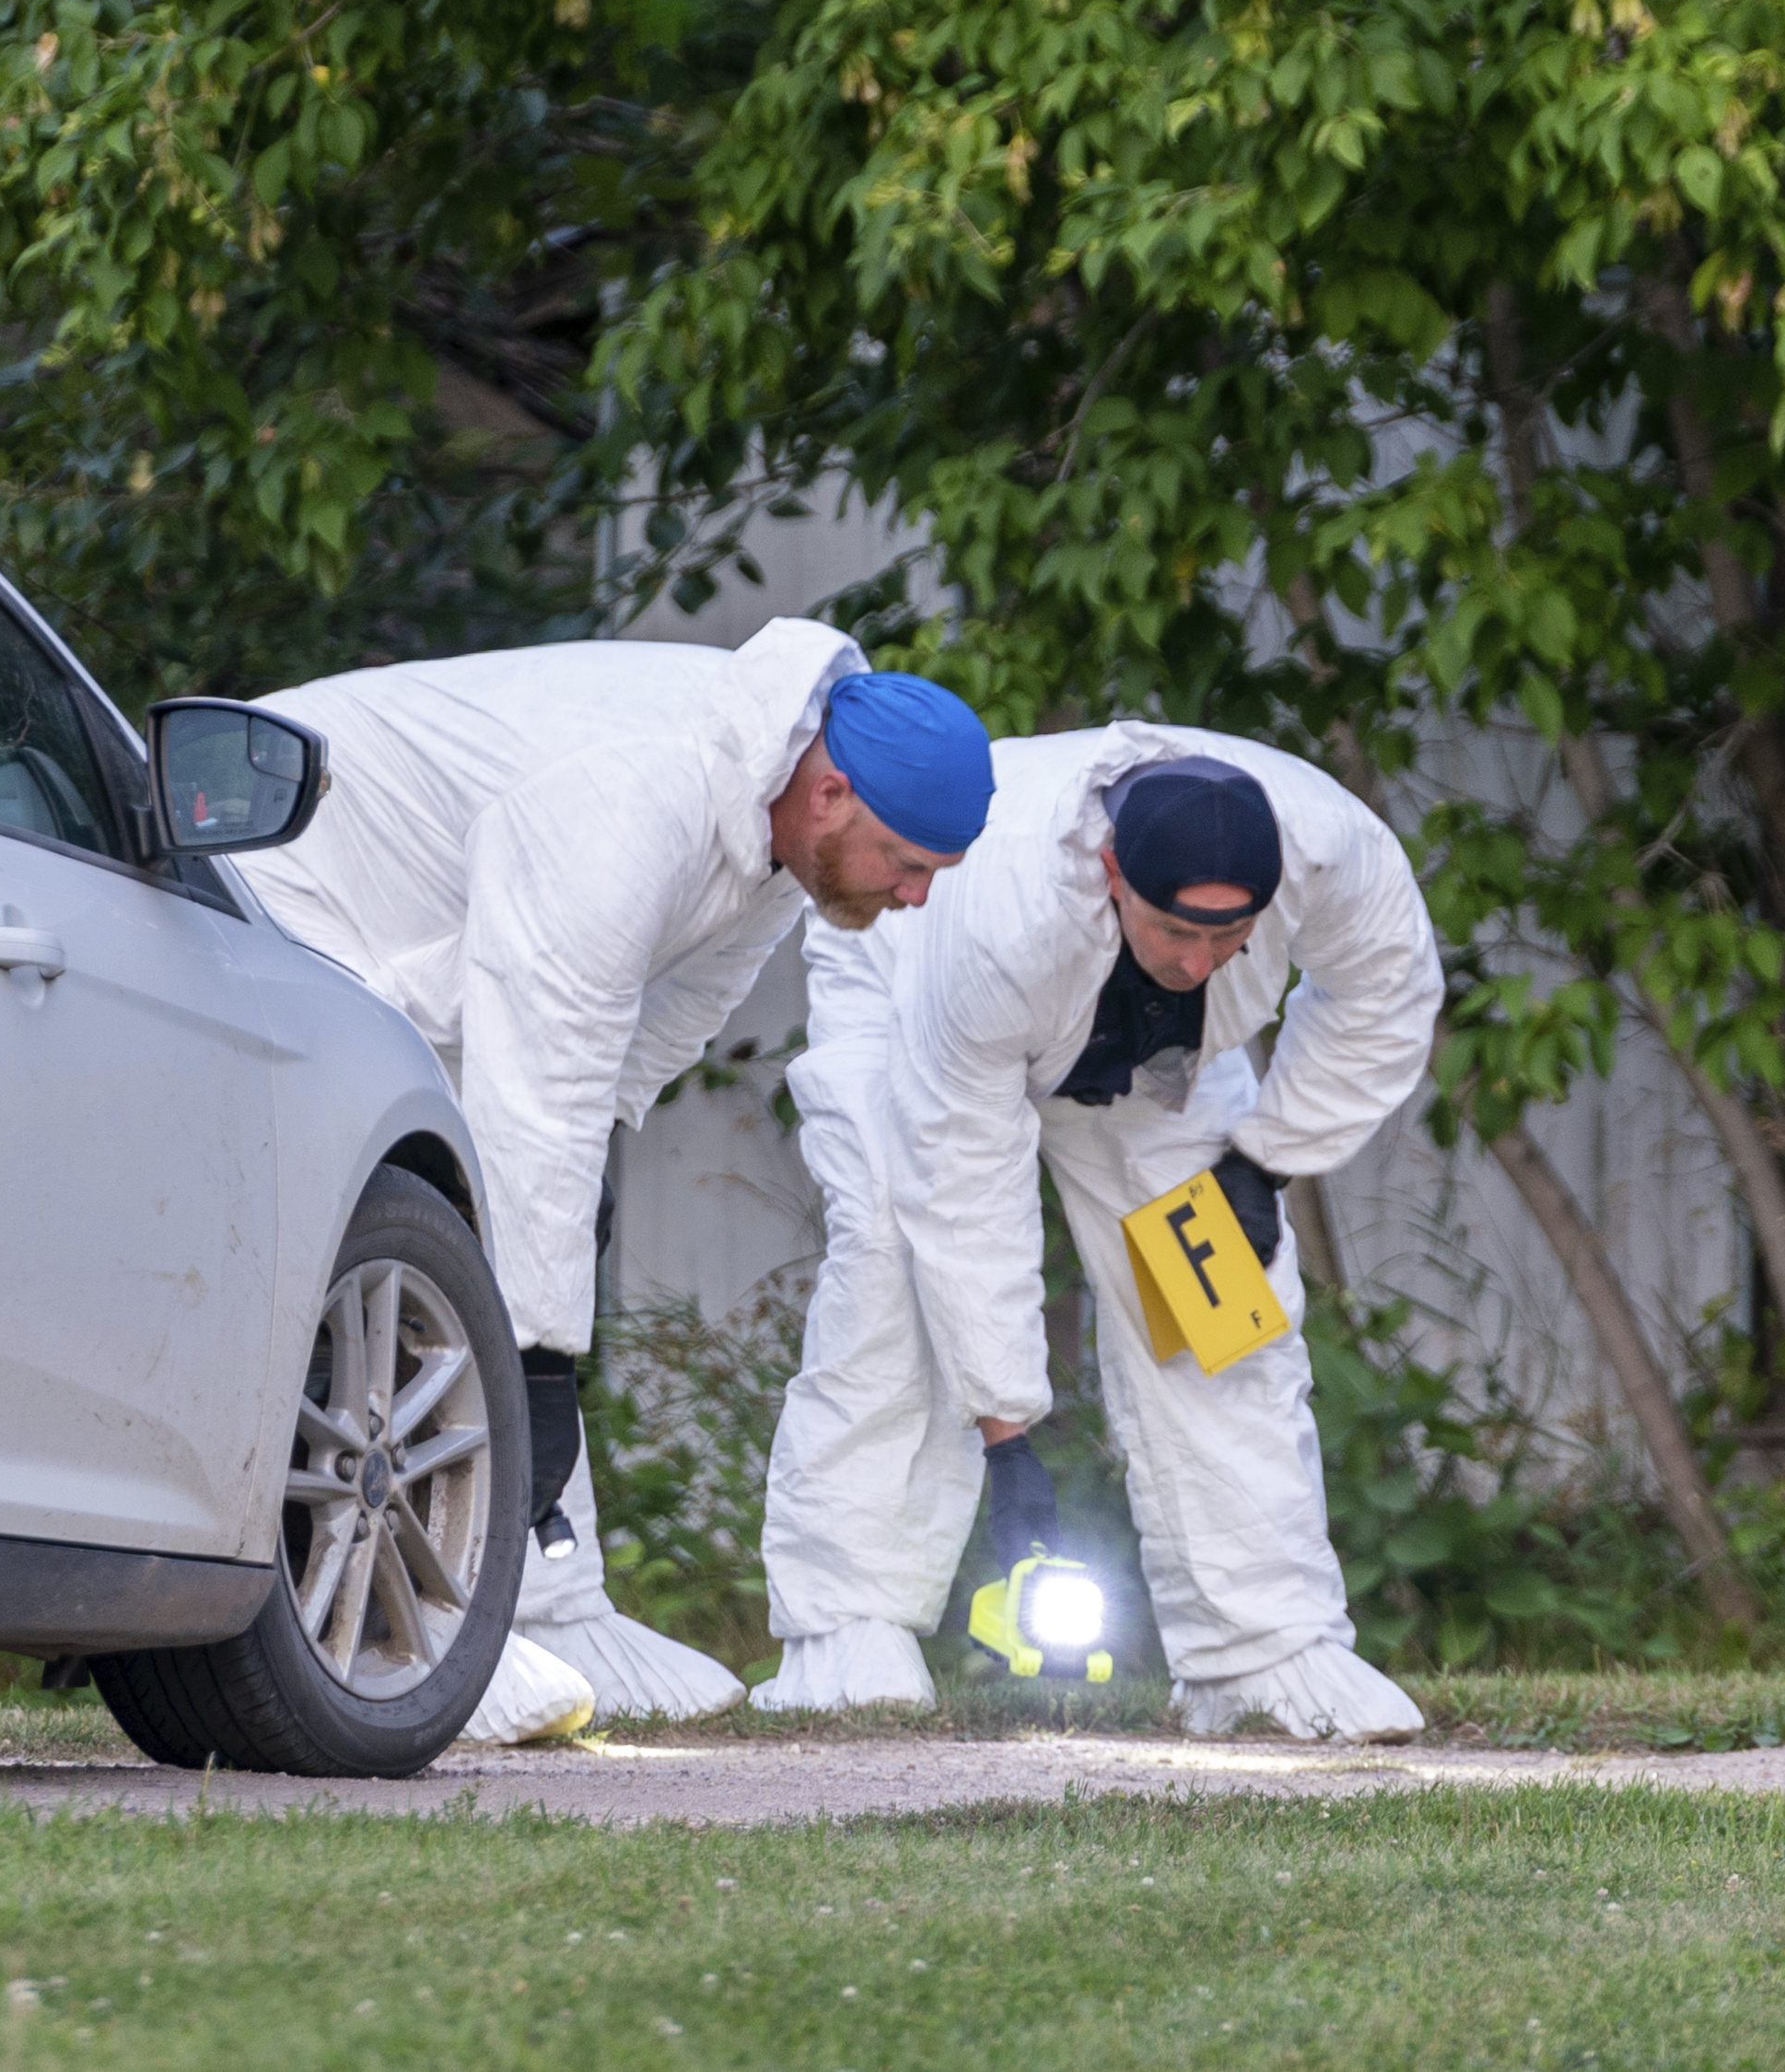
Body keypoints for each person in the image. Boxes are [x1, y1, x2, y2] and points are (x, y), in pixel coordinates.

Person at [237, 621, 993, 1736]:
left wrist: (572, 1200)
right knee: (426, 1236)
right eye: (910, 865)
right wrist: (536, 1363)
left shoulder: (775, 845)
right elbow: (537, 1098)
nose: (916, 898)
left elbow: (653, 1026)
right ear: (831, 793)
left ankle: (551, 1605)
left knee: (525, 1227)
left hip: (440, 950)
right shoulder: (630, 801)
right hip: (287, 882)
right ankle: (430, 1629)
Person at [752, 724, 1441, 1738]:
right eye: (1177, 932)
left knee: (1222, 1323)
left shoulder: (1335, 854)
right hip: (912, 993)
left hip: (1164, 1068)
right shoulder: (1001, 917)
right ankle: (845, 1632)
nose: (1199, 959)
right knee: (894, 1272)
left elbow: (1386, 996)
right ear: (1114, 871)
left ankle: (1260, 1649)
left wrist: (1266, 1157)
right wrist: (1008, 1439)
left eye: (1229, 939)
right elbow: (964, 1180)